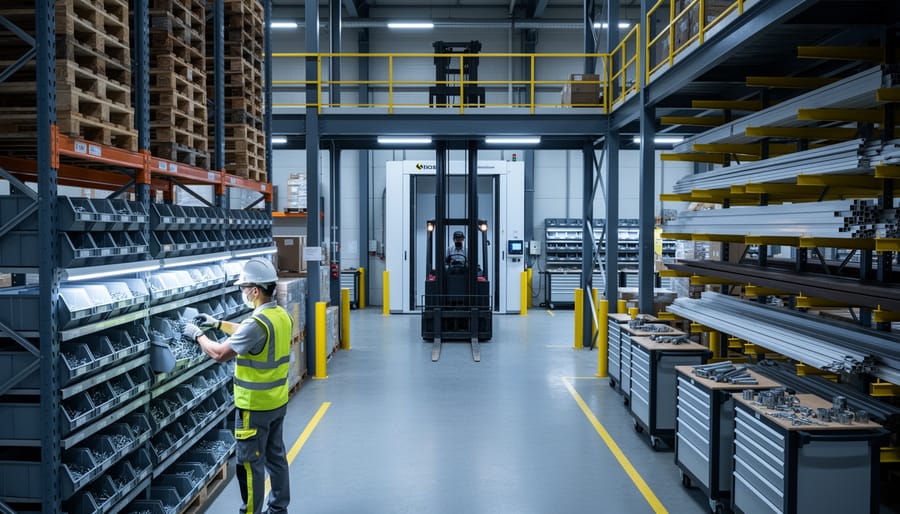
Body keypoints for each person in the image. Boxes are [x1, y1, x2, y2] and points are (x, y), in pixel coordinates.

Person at [182, 257, 292, 514]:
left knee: (249, 465)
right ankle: (278, 509)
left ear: (255, 290)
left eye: (243, 287)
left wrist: (198, 335)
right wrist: (218, 323)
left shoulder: (256, 324)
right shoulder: (279, 315)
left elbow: (219, 353)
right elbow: (247, 332)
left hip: (254, 407)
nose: (241, 291)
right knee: (276, 458)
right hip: (277, 402)